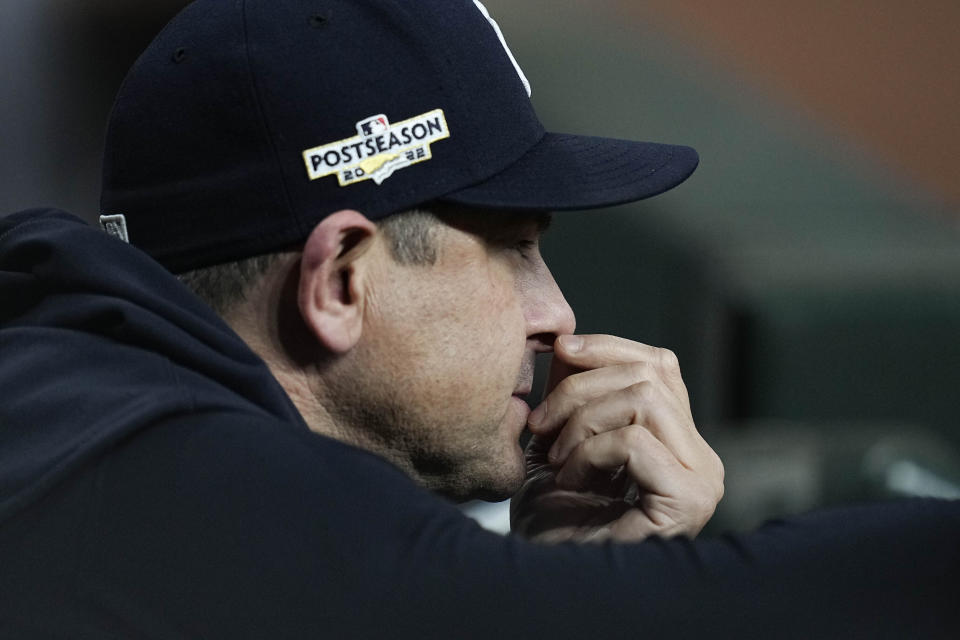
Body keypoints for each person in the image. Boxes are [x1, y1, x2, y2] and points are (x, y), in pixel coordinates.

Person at [0, 0, 956, 637]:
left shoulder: (77, 409)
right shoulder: (199, 492)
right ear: (339, 278)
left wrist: (560, 583)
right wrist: (575, 601)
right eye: (514, 246)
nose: (558, 315)